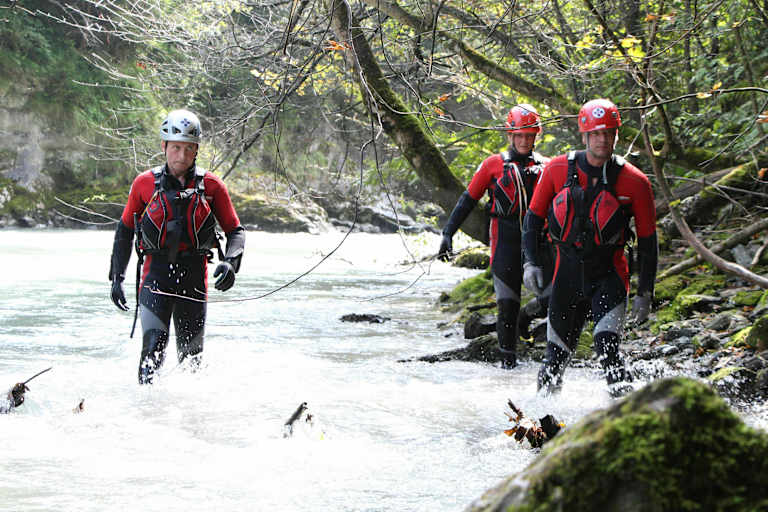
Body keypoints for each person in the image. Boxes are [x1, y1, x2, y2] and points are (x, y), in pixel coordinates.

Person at [522, 98, 658, 397]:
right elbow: (532, 221)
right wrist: (530, 263)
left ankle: (627, 415)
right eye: (596, 133)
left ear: (617, 136)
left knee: (608, 350)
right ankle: (543, 420)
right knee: (554, 360)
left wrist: (645, 293)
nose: (602, 139)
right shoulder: (557, 169)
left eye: (609, 133)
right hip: (566, 278)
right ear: (584, 135)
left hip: (609, 276)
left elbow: (648, 242)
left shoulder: (636, 182)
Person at [108, 109, 246, 384]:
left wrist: (231, 264)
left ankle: (189, 410)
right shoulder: (144, 184)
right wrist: (117, 278)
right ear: (164, 146)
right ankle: (146, 407)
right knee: (151, 355)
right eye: (176, 147)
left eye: (188, 148)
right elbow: (124, 231)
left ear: (196, 150)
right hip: (155, 278)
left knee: (191, 360)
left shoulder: (212, 186)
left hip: (194, 280)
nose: (182, 155)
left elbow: (235, 231)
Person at [438, 104, 551, 368]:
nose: (524, 141)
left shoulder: (548, 166)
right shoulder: (493, 165)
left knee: (553, 297)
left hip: (540, 243)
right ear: (510, 134)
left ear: (536, 135)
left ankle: (526, 316)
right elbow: (467, 201)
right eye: (519, 135)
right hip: (505, 244)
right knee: (507, 306)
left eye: (530, 135)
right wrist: (448, 233)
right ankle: (507, 369)